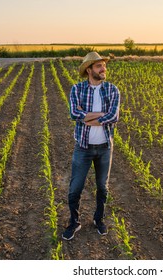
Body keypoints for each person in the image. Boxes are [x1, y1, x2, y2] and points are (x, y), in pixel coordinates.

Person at [62, 52, 120, 240]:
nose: (103, 69)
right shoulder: (77, 89)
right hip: (83, 147)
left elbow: (114, 117)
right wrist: (100, 115)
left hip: (104, 147)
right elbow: (73, 114)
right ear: (89, 70)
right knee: (75, 189)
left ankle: (99, 219)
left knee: (102, 187)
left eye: (104, 65)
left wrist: (88, 116)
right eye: (98, 66)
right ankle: (74, 222)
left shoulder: (112, 90)